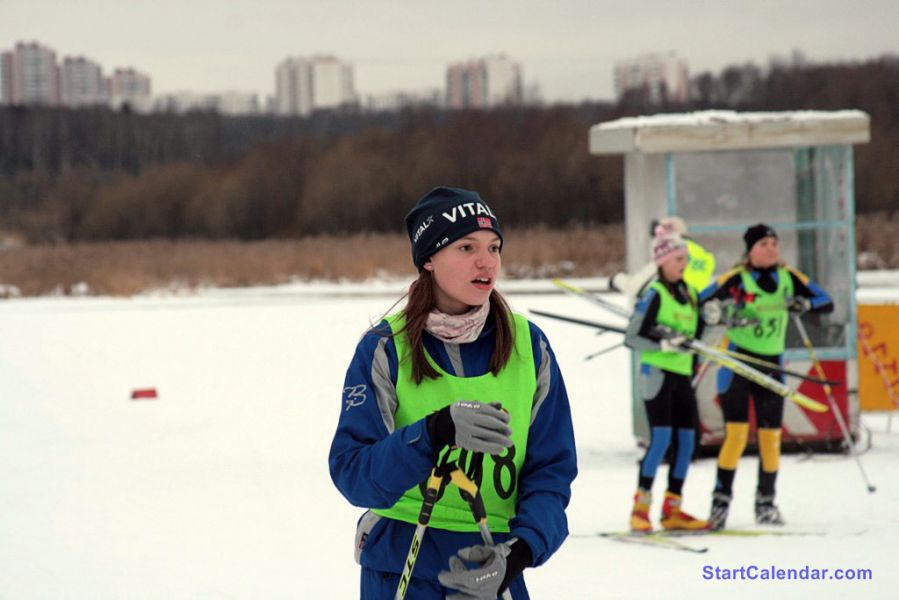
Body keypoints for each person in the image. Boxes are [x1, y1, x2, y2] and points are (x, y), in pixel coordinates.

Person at [329, 186, 577, 599]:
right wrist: (432, 433)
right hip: (401, 570)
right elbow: (354, 474)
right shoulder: (385, 348)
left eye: (494, 247)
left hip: (491, 569)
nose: (486, 261)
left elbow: (551, 471)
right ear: (429, 258)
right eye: (466, 247)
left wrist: (519, 552)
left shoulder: (529, 346)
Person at [699, 223, 833, 530]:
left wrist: (804, 304)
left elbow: (826, 301)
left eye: (774, 243)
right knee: (736, 436)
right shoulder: (737, 278)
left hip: (772, 363)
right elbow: (702, 301)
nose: (771, 249)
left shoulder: (788, 276)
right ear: (750, 251)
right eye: (763, 244)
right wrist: (724, 314)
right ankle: (720, 503)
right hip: (738, 363)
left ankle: (766, 503)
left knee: (771, 438)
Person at [624, 226, 709, 532]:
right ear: (662, 262)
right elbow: (632, 337)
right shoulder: (655, 294)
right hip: (657, 374)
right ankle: (640, 509)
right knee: (661, 440)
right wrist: (663, 345)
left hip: (682, 375)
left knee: (687, 442)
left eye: (685, 258)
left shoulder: (692, 294)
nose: (684, 264)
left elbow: (697, 335)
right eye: (678, 259)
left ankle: (672, 509)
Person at [610, 216, 716, 305]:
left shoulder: (669, 254)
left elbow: (636, 286)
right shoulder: (705, 256)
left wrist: (616, 280)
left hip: (671, 308)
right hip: (694, 308)